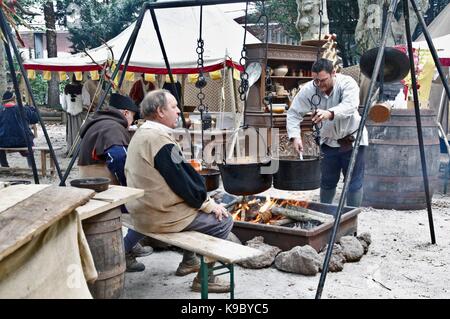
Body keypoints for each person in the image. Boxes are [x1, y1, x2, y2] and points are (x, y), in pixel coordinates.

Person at [125, 89, 233, 293]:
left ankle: (189, 260)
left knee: (201, 206)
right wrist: (209, 205)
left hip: (141, 210)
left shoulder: (141, 132)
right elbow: (183, 183)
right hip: (159, 215)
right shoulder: (159, 140)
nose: (178, 112)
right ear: (160, 111)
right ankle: (205, 278)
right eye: (173, 107)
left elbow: (176, 177)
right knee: (223, 220)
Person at [77, 93, 153, 272]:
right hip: (103, 187)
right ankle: (124, 252)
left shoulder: (100, 122)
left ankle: (130, 245)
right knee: (147, 208)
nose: (132, 122)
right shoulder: (112, 127)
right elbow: (118, 158)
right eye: (133, 117)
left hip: (90, 182)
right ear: (126, 112)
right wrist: (129, 185)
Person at [286, 58, 368, 207]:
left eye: (323, 80)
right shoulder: (309, 89)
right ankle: (325, 215)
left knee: (353, 182)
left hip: (353, 140)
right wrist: (295, 137)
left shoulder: (347, 83)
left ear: (333, 73)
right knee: (327, 181)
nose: (319, 85)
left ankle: (351, 220)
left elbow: (350, 106)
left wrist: (329, 113)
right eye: (316, 80)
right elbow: (293, 113)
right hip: (329, 143)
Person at [0, 90, 39, 167]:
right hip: (23, 141)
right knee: (28, 143)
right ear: (14, 99)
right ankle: (31, 166)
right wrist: (32, 109)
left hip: (3, 142)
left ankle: (5, 166)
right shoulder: (23, 109)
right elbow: (35, 119)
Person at [62, 76, 84, 156]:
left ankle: (70, 149)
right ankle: (79, 149)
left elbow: (63, 104)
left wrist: (67, 108)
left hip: (70, 113)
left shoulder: (66, 87)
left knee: (70, 132)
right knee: (79, 131)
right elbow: (86, 101)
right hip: (79, 113)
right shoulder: (82, 88)